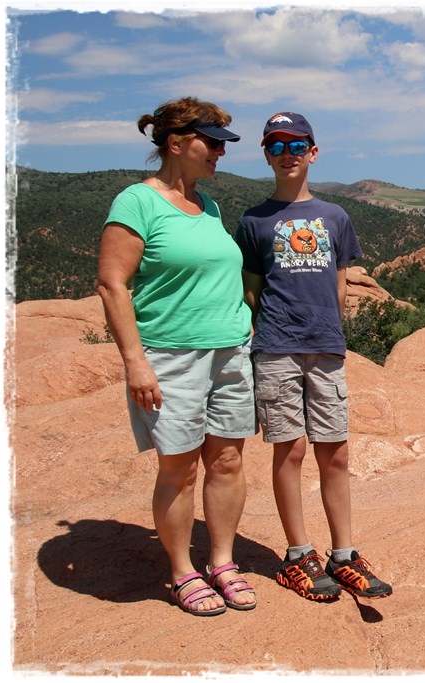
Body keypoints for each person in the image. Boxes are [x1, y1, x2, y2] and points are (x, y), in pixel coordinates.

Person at [96, 97, 257, 616]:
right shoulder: (137, 202)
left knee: (229, 459)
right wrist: (134, 361)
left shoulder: (206, 206)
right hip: (170, 355)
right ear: (176, 143)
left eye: (221, 144)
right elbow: (112, 284)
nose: (219, 153)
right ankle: (182, 571)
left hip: (229, 351)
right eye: (210, 143)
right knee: (180, 469)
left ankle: (224, 562)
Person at [234, 112, 392, 602]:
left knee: (335, 452)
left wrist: (329, 328)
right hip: (277, 348)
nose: (288, 154)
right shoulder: (254, 221)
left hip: (325, 347)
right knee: (291, 449)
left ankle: (343, 555)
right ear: (266, 154)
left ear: (313, 151)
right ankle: (298, 553)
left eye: (297, 145)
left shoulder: (335, 217)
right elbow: (251, 291)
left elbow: (342, 280)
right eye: (277, 146)